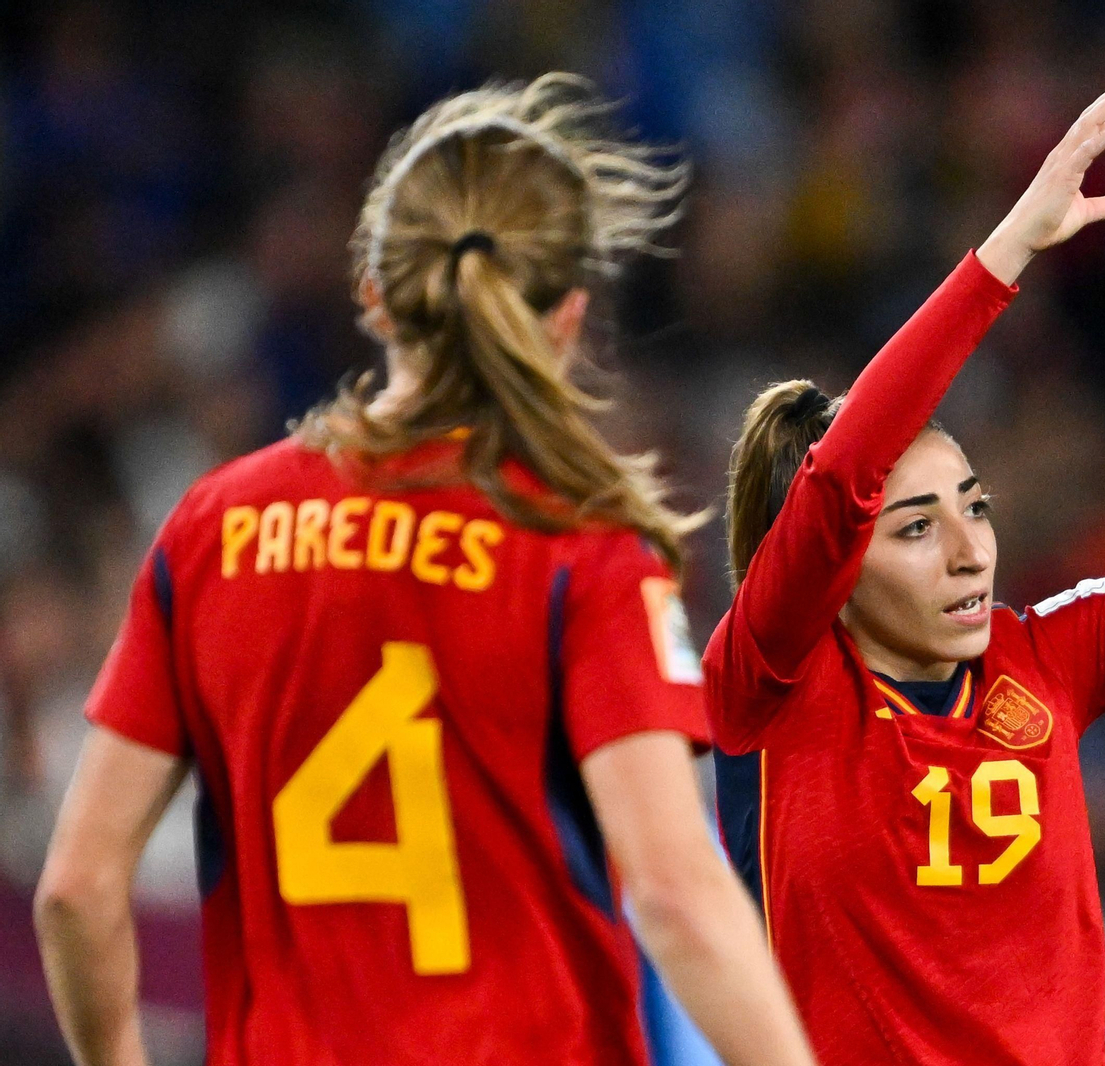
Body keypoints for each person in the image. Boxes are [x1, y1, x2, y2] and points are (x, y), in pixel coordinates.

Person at [34, 75, 815, 1066]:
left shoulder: (213, 529)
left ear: (372, 289)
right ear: (569, 315)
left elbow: (76, 885)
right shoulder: (580, 551)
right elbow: (675, 894)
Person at [707, 56, 1105, 1065]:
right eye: (912, 527)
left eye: (974, 508)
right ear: (831, 568)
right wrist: (1009, 250)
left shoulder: (1047, 660)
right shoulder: (770, 684)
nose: (965, 552)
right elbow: (841, 476)